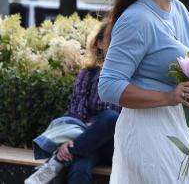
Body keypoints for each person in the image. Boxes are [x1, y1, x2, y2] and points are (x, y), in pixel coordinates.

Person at [98, 0, 189, 183]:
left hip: (182, 132)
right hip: (151, 134)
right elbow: (108, 86)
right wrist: (168, 97)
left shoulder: (179, 10)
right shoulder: (136, 19)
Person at [25, 22, 121, 184]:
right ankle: (67, 154)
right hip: (86, 142)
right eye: (111, 39)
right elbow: (76, 114)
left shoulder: (131, 76)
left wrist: (75, 143)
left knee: (111, 117)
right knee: (79, 168)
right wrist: (76, 140)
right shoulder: (89, 74)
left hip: (115, 145)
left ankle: (58, 160)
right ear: (99, 43)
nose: (116, 44)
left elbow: (127, 118)